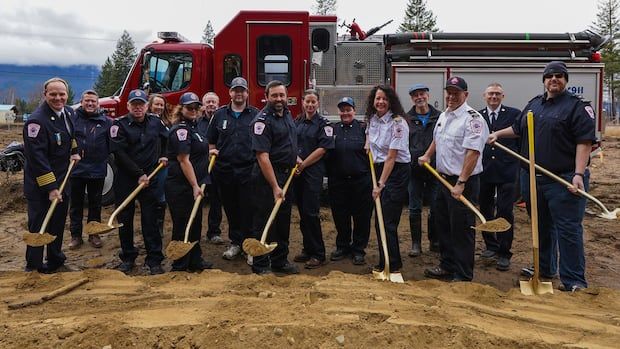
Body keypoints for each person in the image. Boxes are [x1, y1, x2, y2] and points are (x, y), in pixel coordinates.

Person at [488, 61, 595, 292]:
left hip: (564, 178)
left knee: (568, 229)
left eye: (559, 76)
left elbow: (584, 142)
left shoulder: (577, 107)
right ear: (544, 80)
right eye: (549, 76)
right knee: (541, 226)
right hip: (533, 177)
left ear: (566, 80)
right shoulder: (534, 104)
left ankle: (574, 279)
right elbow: (517, 129)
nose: (554, 79)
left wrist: (578, 173)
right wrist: (497, 133)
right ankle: (545, 268)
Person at [419, 76, 489, 282]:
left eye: (456, 93)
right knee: (443, 224)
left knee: (462, 228)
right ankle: (447, 265)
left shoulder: (473, 119)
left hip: (462, 184)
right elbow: (438, 138)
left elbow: (473, 153)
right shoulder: (445, 115)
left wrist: (461, 183)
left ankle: (463, 274)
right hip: (442, 180)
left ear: (465, 95)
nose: (451, 96)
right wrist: (428, 155)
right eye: (449, 92)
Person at [23, 77, 81, 273]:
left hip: (63, 180)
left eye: (62, 94)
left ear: (67, 94)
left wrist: (74, 151)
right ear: (45, 95)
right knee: (39, 225)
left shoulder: (70, 113)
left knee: (56, 222)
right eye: (53, 94)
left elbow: (71, 136)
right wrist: (51, 188)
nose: (58, 98)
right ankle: (34, 266)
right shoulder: (36, 121)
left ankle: (55, 261)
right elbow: (36, 159)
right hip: (42, 185)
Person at [109, 89, 168, 275]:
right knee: (125, 219)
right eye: (134, 104)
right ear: (128, 106)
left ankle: (154, 259)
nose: (137, 107)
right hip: (126, 179)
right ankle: (128, 257)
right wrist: (138, 174)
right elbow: (119, 154)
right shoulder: (119, 125)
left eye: (141, 104)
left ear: (146, 106)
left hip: (151, 178)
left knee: (150, 220)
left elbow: (168, 140)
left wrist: (164, 156)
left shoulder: (156, 123)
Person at [249, 80, 299, 275]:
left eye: (282, 95)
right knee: (264, 220)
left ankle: (280, 260)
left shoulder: (287, 115)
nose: (279, 99)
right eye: (274, 95)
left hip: (287, 176)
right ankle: (260, 264)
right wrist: (275, 186)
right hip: (267, 178)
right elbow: (262, 156)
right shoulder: (261, 121)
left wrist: (296, 158)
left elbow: (287, 143)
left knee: (282, 221)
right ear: (267, 97)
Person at [207, 78, 260, 260]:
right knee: (231, 208)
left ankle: (249, 246)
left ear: (247, 93)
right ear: (230, 93)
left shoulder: (256, 114)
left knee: (249, 209)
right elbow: (211, 140)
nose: (239, 94)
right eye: (235, 90)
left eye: (242, 90)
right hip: (225, 171)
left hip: (248, 170)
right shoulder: (220, 115)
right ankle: (236, 243)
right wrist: (212, 151)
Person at [166, 92, 214, 272]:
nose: (193, 110)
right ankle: (179, 264)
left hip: (195, 184)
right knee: (182, 224)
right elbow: (184, 160)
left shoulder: (195, 128)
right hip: (182, 186)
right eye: (189, 107)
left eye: (196, 107)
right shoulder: (181, 130)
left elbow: (196, 153)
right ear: (181, 109)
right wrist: (194, 185)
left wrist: (209, 154)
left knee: (195, 223)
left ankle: (195, 260)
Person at [365, 85, 411, 273]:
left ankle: (392, 264)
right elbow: (369, 133)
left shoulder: (398, 123)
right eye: (378, 98)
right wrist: (367, 142)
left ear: (391, 101)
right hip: (378, 167)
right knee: (380, 219)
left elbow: (392, 157)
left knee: (387, 220)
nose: (381, 102)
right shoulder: (373, 119)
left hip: (395, 172)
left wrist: (380, 185)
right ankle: (385, 258)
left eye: (384, 99)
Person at [477, 83, 521, 271]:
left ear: (503, 96)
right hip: (484, 170)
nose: (493, 97)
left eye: (497, 94)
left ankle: (504, 252)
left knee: (504, 211)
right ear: (484, 96)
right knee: (485, 210)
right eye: (490, 94)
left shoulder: (513, 114)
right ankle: (491, 246)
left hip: (507, 171)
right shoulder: (477, 116)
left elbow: (520, 137)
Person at [291, 90, 335, 269]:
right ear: (302, 102)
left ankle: (318, 253)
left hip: (312, 173)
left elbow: (323, 149)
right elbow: (290, 142)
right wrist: (296, 160)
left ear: (318, 103)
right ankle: (307, 249)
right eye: (307, 102)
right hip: (298, 171)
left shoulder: (324, 124)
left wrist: (303, 164)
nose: (310, 105)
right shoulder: (297, 122)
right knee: (302, 213)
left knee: (311, 213)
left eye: (313, 102)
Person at [326, 97, 372, 265]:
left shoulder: (364, 129)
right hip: (338, 182)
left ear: (354, 110)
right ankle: (343, 246)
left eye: (348, 109)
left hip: (361, 182)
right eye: (342, 110)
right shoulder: (332, 129)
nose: (345, 113)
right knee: (340, 216)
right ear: (338, 112)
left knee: (362, 217)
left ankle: (358, 250)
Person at [68, 89, 112, 249]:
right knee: (75, 205)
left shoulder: (107, 122)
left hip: (97, 170)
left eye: (93, 101)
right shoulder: (72, 119)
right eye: (87, 100)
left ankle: (94, 234)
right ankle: (75, 235)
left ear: (98, 103)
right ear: (82, 102)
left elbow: (113, 144)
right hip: (76, 170)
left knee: (95, 204)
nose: (90, 103)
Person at [404, 83, 441, 257]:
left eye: (422, 94)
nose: (419, 97)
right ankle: (416, 244)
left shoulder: (440, 117)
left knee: (435, 207)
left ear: (427, 95)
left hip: (435, 170)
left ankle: (434, 241)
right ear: (412, 99)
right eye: (415, 95)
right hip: (414, 172)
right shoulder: (406, 119)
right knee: (414, 208)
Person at [198, 92, 224, 245]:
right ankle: (195, 232)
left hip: (217, 167)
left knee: (216, 199)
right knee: (198, 198)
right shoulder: (197, 122)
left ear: (218, 104)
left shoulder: (222, 121)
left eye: (213, 101)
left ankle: (213, 232)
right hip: (200, 167)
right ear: (203, 105)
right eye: (208, 102)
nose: (211, 104)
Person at [147, 94, 171, 238]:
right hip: (148, 164)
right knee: (149, 196)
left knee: (160, 195)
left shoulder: (167, 123)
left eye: (162, 105)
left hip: (162, 164)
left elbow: (169, 141)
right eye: (157, 104)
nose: (159, 107)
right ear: (150, 105)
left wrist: (165, 155)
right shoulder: (145, 120)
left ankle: (159, 227)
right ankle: (149, 226)